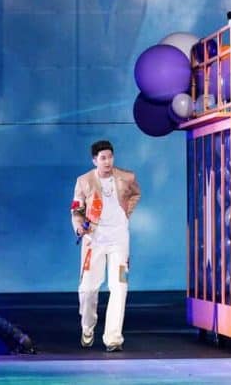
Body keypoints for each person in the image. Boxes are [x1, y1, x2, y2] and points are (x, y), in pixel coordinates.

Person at [72, 139, 141, 351]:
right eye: (103, 158)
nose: (107, 161)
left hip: (119, 240)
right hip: (93, 240)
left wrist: (126, 213)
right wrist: (79, 227)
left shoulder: (127, 177)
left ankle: (113, 338)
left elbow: (136, 194)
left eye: (110, 157)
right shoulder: (84, 181)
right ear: (95, 160)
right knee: (87, 289)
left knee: (120, 285)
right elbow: (76, 209)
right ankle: (87, 327)